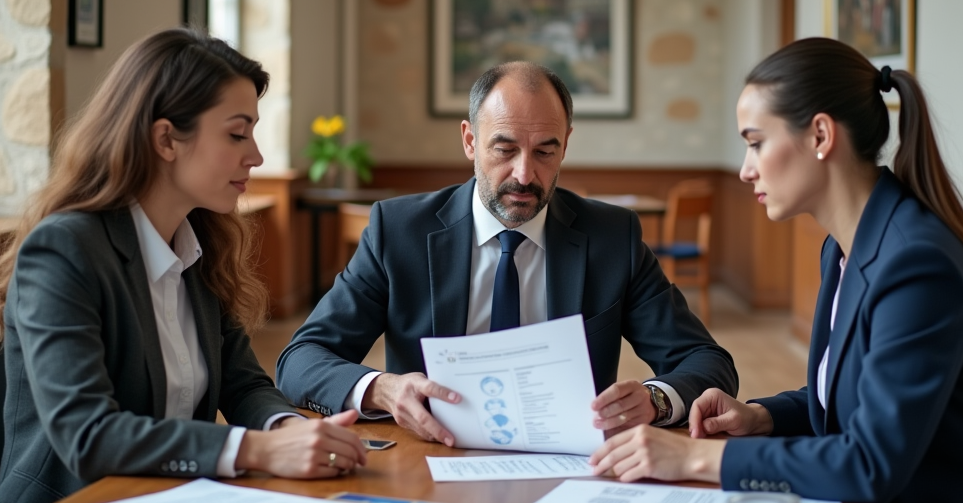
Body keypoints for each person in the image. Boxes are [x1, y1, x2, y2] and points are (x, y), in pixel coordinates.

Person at [589, 38, 963, 503]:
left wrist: (696, 457)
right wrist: (762, 417)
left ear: (821, 136)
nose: (746, 170)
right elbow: (848, 400)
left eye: (755, 143)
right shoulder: (846, 248)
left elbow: (870, 462)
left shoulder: (915, 262)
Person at [0, 28, 368, 503]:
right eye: (236, 133)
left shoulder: (199, 245)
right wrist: (255, 450)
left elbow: (243, 384)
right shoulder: (64, 250)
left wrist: (284, 428)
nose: (256, 155)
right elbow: (87, 435)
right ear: (166, 138)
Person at [277, 62, 738, 445]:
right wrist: (383, 389)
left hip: (570, 464)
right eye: (505, 148)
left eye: (544, 151)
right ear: (469, 141)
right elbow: (300, 360)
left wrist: (656, 399)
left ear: (566, 145)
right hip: (430, 457)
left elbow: (707, 362)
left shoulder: (611, 237)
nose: (525, 173)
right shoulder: (398, 232)